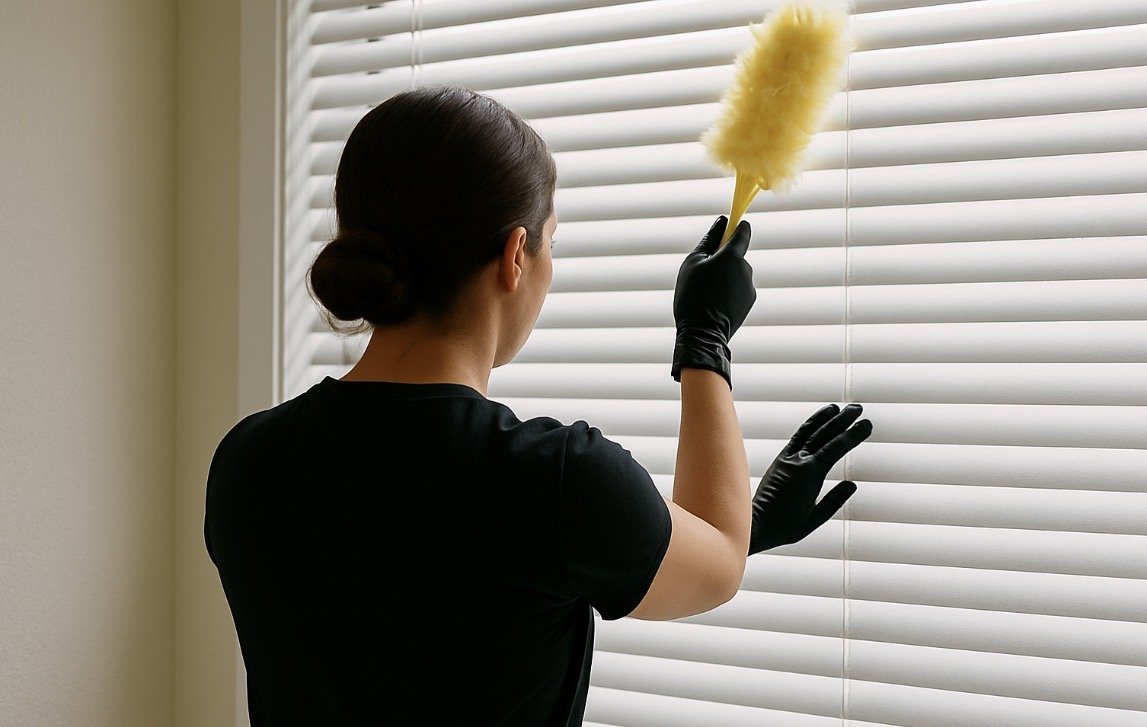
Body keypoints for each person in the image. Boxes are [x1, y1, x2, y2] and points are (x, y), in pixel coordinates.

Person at [204, 83, 873, 726]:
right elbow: (716, 564)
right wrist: (705, 340)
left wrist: (727, 532)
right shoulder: (552, 479)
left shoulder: (247, 460)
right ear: (515, 254)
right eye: (551, 240)